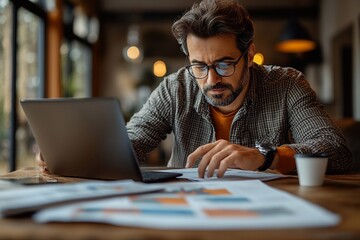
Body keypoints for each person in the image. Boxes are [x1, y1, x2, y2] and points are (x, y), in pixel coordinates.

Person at [38, 0, 352, 178]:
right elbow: (131, 140)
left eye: (224, 63)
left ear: (250, 54)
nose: (211, 79)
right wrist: (78, 152)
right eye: (199, 65)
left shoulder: (287, 84)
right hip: (186, 215)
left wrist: (264, 158)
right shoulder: (176, 88)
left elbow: (336, 151)